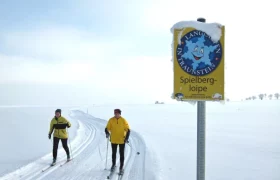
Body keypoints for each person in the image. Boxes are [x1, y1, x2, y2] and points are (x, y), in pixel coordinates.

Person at [105, 109, 130, 173]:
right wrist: (107, 133)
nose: (116, 114)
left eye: (117, 113)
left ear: (120, 114)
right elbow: (107, 128)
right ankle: (113, 165)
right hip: (113, 140)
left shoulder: (123, 120)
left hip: (122, 140)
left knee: (121, 154)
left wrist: (126, 138)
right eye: (115, 113)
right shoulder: (111, 120)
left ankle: (121, 167)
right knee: (114, 154)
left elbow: (128, 130)